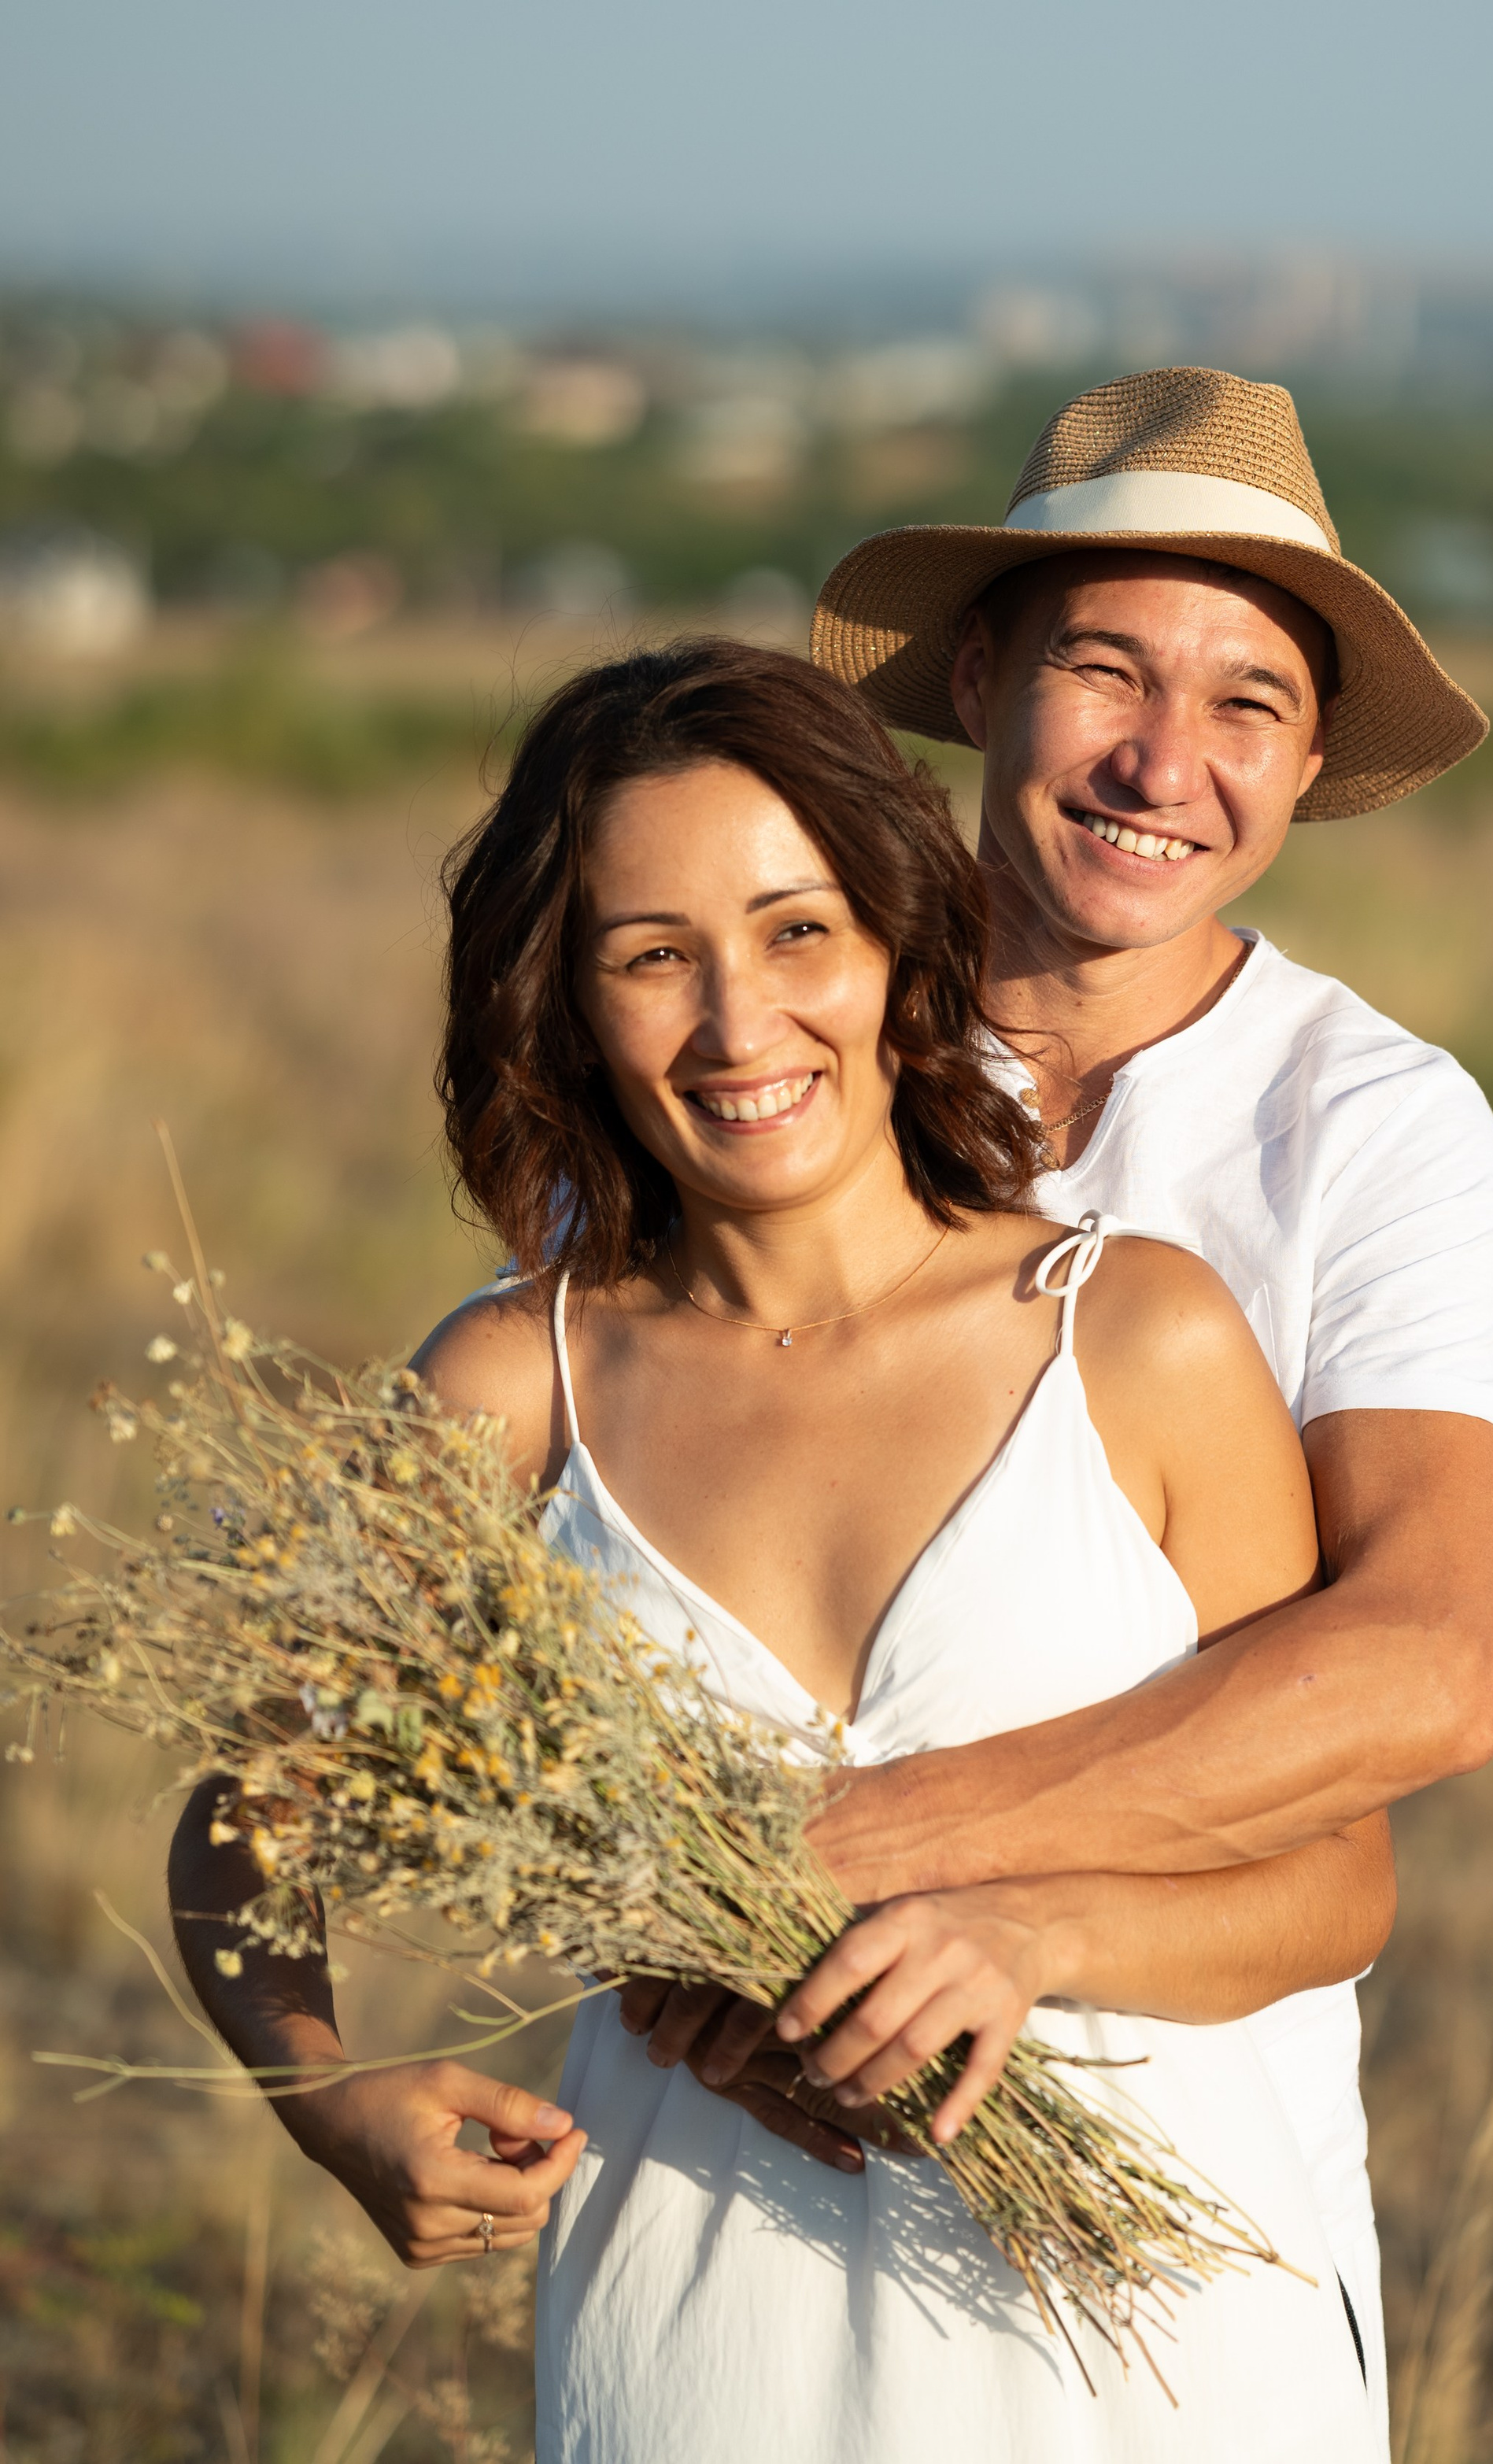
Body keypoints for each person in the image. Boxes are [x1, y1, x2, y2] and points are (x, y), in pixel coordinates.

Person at [170, 640, 1393, 2463]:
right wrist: (331, 2096)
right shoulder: (520, 1382)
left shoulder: (1136, 1336)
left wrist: (1035, 1929)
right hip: (701, 2326)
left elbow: (1339, 1886)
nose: (742, 1027)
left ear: (898, 941)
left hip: (1160, 2348)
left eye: (795, 932)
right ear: (569, 1004)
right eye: (653, 957)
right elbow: (245, 1807)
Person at [692, 362, 1493, 2448]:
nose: (1171, 757)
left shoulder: (1369, 1123)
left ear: (1313, 756)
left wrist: (830, 1865)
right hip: (722, 2155)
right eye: (1107, 669)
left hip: (1171, 2175)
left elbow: (1426, 1665)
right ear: (976, 677)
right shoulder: (765, 1054)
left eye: (1251, 700)